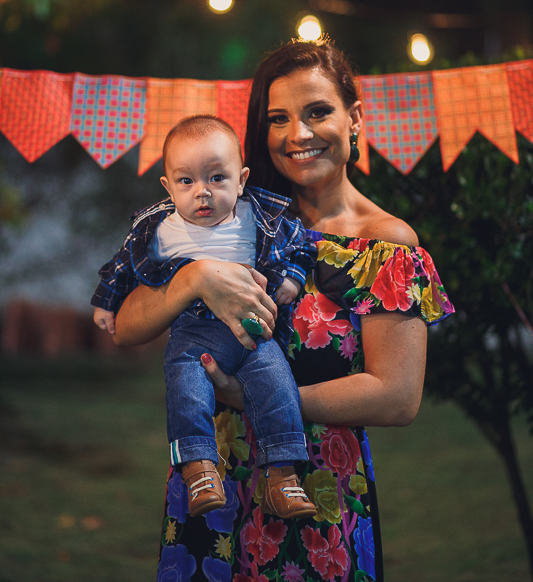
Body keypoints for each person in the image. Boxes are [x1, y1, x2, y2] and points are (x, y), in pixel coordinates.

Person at [113, 39, 455, 582]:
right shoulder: (228, 214)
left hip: (317, 494)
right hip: (214, 484)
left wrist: (251, 396)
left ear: (354, 118)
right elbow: (126, 323)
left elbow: (397, 397)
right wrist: (193, 279)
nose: (298, 134)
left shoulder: (385, 244)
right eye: (278, 118)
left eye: (317, 111)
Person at [92, 115, 317, 520]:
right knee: (187, 387)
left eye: (217, 178)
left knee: (279, 387)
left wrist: (293, 279)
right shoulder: (161, 230)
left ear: (241, 180)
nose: (203, 192)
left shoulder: (258, 218)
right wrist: (105, 302)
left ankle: (282, 478)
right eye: (186, 181)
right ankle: (198, 468)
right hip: (195, 334)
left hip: (254, 333)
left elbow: (302, 244)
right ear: (168, 187)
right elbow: (123, 266)